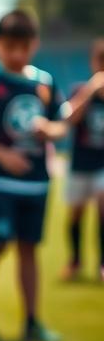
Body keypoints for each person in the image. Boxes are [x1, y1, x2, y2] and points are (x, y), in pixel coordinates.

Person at [0, 9, 69, 341]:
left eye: (23, 47)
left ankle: (32, 321)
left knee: (28, 250)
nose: (17, 55)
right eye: (10, 47)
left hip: (36, 181)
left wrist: (50, 129)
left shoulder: (44, 82)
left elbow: (61, 124)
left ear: (34, 44)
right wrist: (1, 154)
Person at [61, 38, 104, 281]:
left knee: (103, 206)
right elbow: (68, 119)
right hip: (80, 163)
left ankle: (102, 263)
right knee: (76, 214)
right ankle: (75, 261)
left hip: (102, 164)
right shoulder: (81, 90)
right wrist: (90, 91)